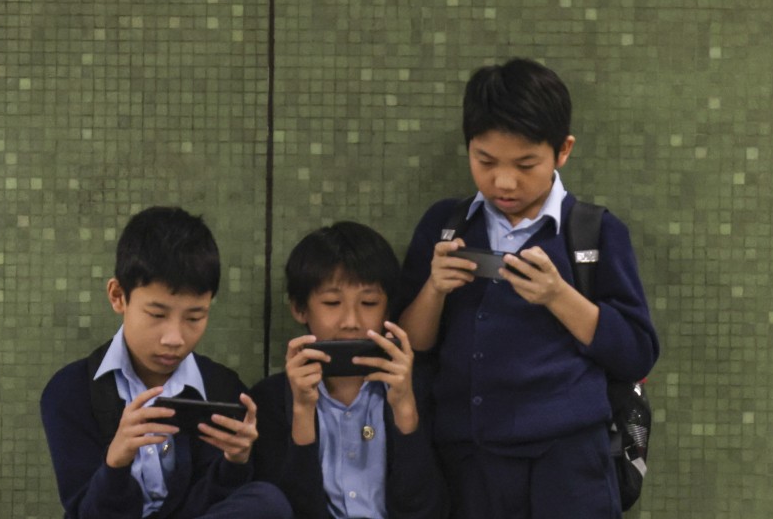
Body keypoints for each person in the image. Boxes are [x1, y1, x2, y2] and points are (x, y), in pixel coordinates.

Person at [395, 58, 660, 519]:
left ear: (562, 151)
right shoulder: (446, 225)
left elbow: (637, 352)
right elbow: (410, 343)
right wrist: (434, 290)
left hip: (570, 460)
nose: (504, 181)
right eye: (485, 160)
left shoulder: (593, 233)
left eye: (525, 164)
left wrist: (559, 296)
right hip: (469, 458)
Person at [40, 206, 293, 519]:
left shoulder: (221, 388)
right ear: (118, 296)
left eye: (195, 317)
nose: (174, 338)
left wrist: (235, 462)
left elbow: (213, 506)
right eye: (157, 315)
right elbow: (86, 513)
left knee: (267, 500)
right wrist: (115, 464)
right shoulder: (70, 391)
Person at [251, 221, 448, 519]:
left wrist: (405, 411)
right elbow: (286, 508)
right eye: (332, 302)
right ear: (300, 308)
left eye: (369, 302)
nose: (351, 321)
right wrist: (303, 413)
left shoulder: (418, 389)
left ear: (387, 310)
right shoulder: (269, 399)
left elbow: (427, 510)